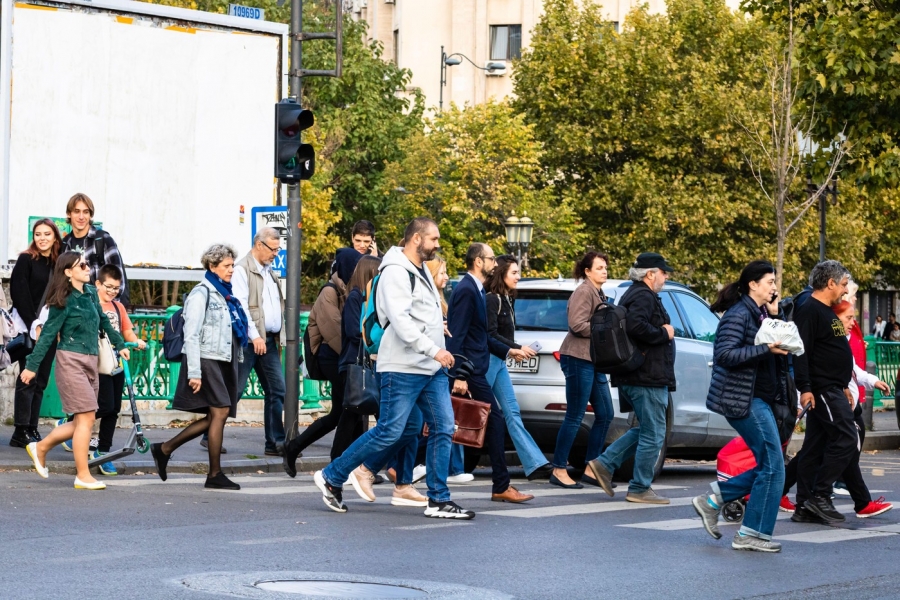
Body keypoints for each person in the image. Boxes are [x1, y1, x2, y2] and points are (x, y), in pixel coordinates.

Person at [314, 217, 476, 519]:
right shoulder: (395, 271)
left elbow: (417, 314)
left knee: (442, 427)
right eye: (433, 239)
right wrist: (435, 349)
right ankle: (332, 476)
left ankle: (438, 499)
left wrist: (437, 329)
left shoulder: (418, 270)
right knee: (390, 430)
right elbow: (399, 321)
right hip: (402, 366)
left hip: (429, 367)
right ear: (416, 239)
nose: (437, 244)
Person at [692, 260, 789, 553]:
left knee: (769, 466)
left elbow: (782, 349)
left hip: (757, 398)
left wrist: (775, 316)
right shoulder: (738, 315)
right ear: (753, 285)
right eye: (770, 281)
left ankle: (714, 501)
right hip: (745, 399)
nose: (774, 287)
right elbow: (724, 354)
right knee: (773, 466)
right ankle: (750, 533)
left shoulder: (759, 313)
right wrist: (764, 348)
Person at [21, 251, 129, 490]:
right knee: (86, 418)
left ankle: (41, 447)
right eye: (82, 265)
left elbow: (103, 322)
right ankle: (82, 475)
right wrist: (31, 367)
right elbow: (48, 335)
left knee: (86, 419)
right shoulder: (63, 299)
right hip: (70, 360)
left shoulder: (91, 294)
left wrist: (120, 345)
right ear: (69, 272)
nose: (87, 267)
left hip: (91, 360)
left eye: (87, 264)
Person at [150, 244, 249, 491]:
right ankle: (214, 473)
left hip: (220, 359)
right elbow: (191, 335)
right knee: (221, 411)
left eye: (232, 265)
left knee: (217, 414)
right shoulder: (201, 293)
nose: (231, 270)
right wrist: (194, 372)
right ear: (212, 266)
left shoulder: (225, 294)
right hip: (205, 359)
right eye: (227, 266)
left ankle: (164, 449)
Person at [338, 256, 429, 508]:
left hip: (409, 362)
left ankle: (401, 483)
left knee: (410, 425)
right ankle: (344, 471)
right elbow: (393, 323)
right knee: (391, 428)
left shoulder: (403, 278)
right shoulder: (389, 278)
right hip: (392, 361)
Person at [446, 243, 533, 504]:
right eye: (490, 258)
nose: (494, 263)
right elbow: (457, 335)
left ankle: (500, 486)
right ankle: (501, 486)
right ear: (477, 261)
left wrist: (511, 350)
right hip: (469, 369)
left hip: (475, 367)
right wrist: (460, 374)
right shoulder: (466, 289)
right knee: (477, 421)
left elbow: (482, 337)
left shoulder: (476, 289)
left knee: (481, 421)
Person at [588, 252, 676, 505]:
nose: (666, 276)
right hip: (646, 376)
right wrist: (663, 332)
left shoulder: (634, 294)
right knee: (654, 433)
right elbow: (636, 326)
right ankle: (639, 487)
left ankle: (603, 464)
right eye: (663, 272)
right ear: (650, 273)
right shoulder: (643, 295)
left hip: (638, 375)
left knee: (646, 429)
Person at [283, 248, 364, 466]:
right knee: (352, 410)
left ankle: (295, 446)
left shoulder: (345, 290)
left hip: (339, 357)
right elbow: (335, 332)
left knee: (341, 413)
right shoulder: (330, 292)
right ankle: (343, 463)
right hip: (331, 357)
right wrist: (356, 358)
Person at [791, 260, 856, 523]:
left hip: (833, 386)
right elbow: (801, 350)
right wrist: (806, 388)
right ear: (830, 283)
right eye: (842, 285)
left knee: (814, 447)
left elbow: (833, 349)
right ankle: (821, 495)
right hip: (822, 388)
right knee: (846, 437)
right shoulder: (809, 309)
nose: (844, 290)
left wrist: (844, 384)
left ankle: (804, 505)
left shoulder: (826, 310)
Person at [485, 254, 553, 481]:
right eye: (514, 272)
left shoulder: (507, 299)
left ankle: (535, 464)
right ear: (501, 273)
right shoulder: (492, 299)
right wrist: (515, 348)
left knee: (512, 412)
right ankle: (442, 463)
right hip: (489, 362)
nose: (518, 277)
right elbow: (490, 335)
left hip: (500, 362)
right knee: (469, 414)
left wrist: (515, 351)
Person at [550, 251, 615, 488]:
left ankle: (591, 467)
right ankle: (558, 469)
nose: (604, 271)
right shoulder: (584, 291)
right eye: (599, 267)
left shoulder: (599, 292)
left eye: (605, 267)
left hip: (594, 360)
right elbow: (577, 325)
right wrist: (606, 330)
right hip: (578, 357)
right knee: (575, 415)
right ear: (587, 271)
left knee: (606, 413)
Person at [828, 300, 893, 518]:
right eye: (848, 317)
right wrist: (844, 387)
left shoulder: (841, 336)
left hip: (845, 399)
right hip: (836, 399)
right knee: (846, 444)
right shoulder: (831, 335)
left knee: (835, 448)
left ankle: (857, 500)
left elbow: (851, 368)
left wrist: (872, 381)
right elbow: (835, 369)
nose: (853, 322)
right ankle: (821, 492)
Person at [7, 219, 62, 447]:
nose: (42, 238)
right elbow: (19, 294)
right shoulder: (26, 259)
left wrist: (55, 327)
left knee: (41, 380)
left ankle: (32, 427)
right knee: (27, 377)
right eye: (38, 234)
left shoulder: (58, 263)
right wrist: (34, 324)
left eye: (47, 234)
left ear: (55, 237)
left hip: (50, 330)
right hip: (30, 328)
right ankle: (20, 431)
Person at [232, 227, 286, 457]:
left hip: (268, 341)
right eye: (273, 249)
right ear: (259, 245)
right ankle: (209, 433)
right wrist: (254, 336)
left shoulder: (269, 271)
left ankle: (275, 442)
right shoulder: (241, 270)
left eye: (278, 249)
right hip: (249, 340)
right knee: (235, 390)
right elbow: (242, 307)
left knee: (277, 389)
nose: (276, 253)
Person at [90, 265, 147, 476]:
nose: (113, 291)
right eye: (109, 287)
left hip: (116, 362)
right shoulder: (90, 304)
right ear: (98, 284)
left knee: (113, 409)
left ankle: (103, 452)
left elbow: (127, 331)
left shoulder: (118, 307)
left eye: (116, 288)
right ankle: (71, 423)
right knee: (104, 406)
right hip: (96, 363)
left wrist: (136, 341)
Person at [61, 192, 129, 306]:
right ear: (69, 214)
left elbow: (118, 281)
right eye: (77, 211)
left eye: (86, 212)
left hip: (103, 309)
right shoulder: (65, 244)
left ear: (90, 215)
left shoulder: (103, 239)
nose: (81, 217)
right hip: (75, 309)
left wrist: (103, 308)